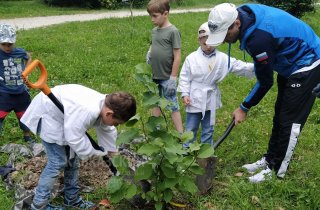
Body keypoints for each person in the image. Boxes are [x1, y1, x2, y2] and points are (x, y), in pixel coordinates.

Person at [206, 3, 320, 183]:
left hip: (306, 62)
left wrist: (244, 107)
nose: (223, 39)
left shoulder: (258, 39)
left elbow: (265, 81)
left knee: (289, 121)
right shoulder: (243, 15)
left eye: (225, 34)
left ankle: (276, 172)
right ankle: (270, 160)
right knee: (279, 115)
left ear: (236, 24)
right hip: (287, 62)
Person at [20, 84, 136, 209]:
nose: (116, 126)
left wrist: (112, 154)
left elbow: (107, 129)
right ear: (109, 113)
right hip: (48, 114)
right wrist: (95, 152)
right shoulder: (87, 110)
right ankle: (39, 204)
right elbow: (74, 138)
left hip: (66, 118)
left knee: (72, 161)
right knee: (58, 162)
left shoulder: (105, 107)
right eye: (117, 123)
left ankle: (72, 199)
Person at [177, 22, 254, 148]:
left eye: (211, 43)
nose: (208, 46)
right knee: (191, 129)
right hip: (194, 98)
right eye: (204, 43)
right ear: (199, 40)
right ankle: (186, 154)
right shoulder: (191, 58)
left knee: (208, 128)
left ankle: (206, 154)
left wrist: (258, 66)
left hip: (211, 99)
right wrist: (185, 94)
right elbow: (184, 77)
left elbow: (238, 66)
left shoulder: (222, 58)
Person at [146, 0, 183, 133]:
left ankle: (181, 135)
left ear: (165, 13)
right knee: (155, 102)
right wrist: (149, 52)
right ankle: (155, 131)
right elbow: (153, 44)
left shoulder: (173, 31)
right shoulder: (154, 31)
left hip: (167, 77)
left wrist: (173, 78)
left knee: (173, 105)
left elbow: (177, 56)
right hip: (155, 75)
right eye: (151, 16)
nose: (152, 19)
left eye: (155, 16)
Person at [0, 23, 34, 142]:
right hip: (4, 93)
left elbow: (28, 57)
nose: (7, 47)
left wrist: (26, 71)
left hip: (21, 92)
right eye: (4, 44)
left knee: (24, 116)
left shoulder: (20, 52)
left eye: (10, 44)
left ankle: (27, 135)